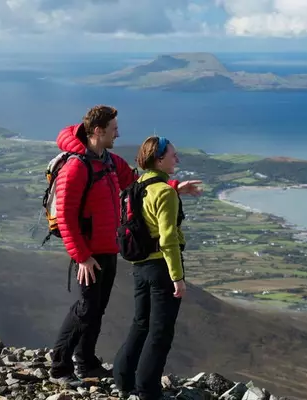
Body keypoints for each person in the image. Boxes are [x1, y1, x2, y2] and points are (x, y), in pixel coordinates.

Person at [49, 106, 201, 384]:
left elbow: (137, 184)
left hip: (108, 247)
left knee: (97, 307)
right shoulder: (76, 167)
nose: (118, 133)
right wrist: (81, 256)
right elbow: (66, 216)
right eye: (114, 128)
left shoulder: (108, 161)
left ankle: (86, 362)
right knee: (86, 307)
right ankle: (60, 366)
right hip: (89, 250)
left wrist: (174, 187)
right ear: (98, 130)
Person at [113, 136, 198, 400]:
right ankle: (148, 391)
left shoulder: (137, 186)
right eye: (174, 155)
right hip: (161, 268)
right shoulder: (164, 193)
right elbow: (168, 239)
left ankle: (123, 380)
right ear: (159, 159)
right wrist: (178, 278)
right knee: (160, 332)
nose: (178, 159)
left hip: (139, 267)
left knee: (141, 324)